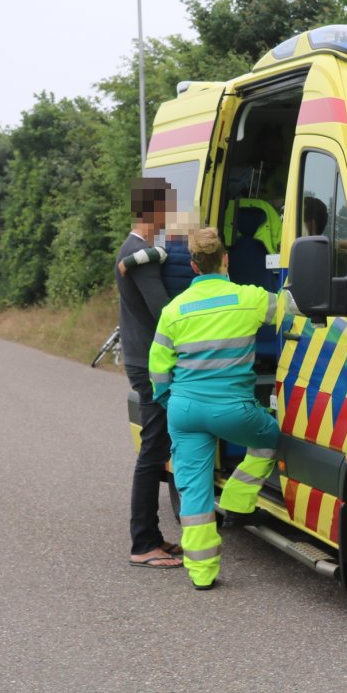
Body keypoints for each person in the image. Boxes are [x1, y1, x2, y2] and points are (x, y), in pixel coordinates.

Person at [148, 227, 280, 590]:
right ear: (225, 259)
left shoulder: (174, 311)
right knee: (269, 436)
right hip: (233, 410)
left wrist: (169, 400)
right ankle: (238, 497)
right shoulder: (248, 298)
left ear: (193, 265)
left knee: (193, 489)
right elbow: (292, 308)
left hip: (185, 410)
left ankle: (202, 573)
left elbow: (158, 369)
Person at [118, 178, 183, 569]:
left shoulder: (137, 252)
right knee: (152, 452)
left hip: (142, 359)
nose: (170, 216)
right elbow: (165, 314)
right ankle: (143, 543)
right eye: (168, 208)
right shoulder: (137, 253)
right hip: (149, 364)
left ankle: (153, 537)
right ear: (154, 210)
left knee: (155, 449)